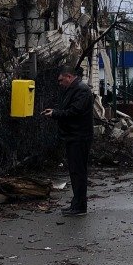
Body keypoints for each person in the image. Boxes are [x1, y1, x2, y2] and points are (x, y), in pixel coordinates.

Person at [42, 66, 94, 217]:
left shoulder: (81, 90)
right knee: (75, 172)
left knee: (78, 172)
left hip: (79, 136)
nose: (59, 83)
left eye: (61, 80)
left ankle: (79, 206)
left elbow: (74, 112)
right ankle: (76, 204)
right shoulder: (76, 89)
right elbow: (69, 109)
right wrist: (55, 111)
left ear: (69, 77)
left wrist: (55, 114)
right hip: (74, 136)